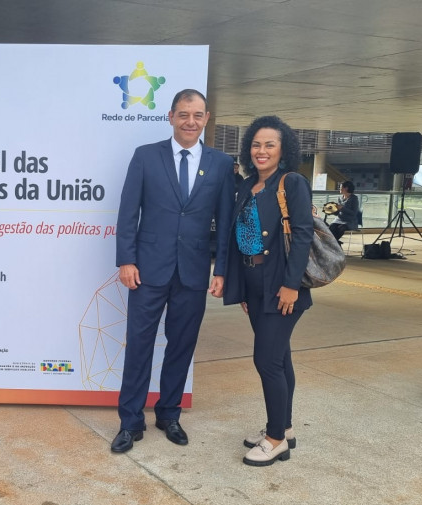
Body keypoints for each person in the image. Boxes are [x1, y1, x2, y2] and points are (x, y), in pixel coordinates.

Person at [112, 89, 234, 453]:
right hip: (147, 270)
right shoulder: (146, 156)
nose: (190, 121)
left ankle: (169, 414)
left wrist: (222, 269)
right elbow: (128, 211)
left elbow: (225, 221)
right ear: (170, 117)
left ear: (206, 118)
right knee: (139, 345)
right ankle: (130, 421)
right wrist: (126, 260)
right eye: (183, 114)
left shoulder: (221, 164)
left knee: (181, 346)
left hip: (193, 273)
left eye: (197, 115)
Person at [222, 115, 313, 466]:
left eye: (269, 145)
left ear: (283, 149)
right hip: (254, 282)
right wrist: (243, 289)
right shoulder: (248, 185)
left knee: (267, 360)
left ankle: (275, 440)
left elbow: (302, 235)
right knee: (279, 357)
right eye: (256, 145)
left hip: (280, 284)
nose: (261, 151)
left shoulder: (292, 183)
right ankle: (284, 427)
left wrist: (291, 285)